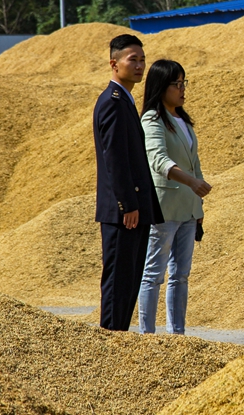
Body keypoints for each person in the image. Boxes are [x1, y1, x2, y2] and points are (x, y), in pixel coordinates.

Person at [93, 34, 164, 331]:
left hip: (133, 209)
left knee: (129, 281)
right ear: (114, 63)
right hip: (124, 213)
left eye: (142, 60)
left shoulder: (125, 101)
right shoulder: (113, 102)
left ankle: (117, 337)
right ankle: (109, 340)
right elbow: (115, 160)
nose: (139, 66)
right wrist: (128, 204)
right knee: (118, 284)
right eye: (132, 60)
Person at [138, 59, 212, 334]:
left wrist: (198, 202)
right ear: (161, 86)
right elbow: (158, 160)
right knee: (153, 274)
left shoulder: (183, 120)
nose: (182, 89)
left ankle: (177, 334)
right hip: (165, 207)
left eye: (184, 83)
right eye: (176, 84)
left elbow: (194, 163)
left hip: (188, 208)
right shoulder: (152, 119)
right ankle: (147, 334)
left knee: (180, 275)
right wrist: (192, 182)